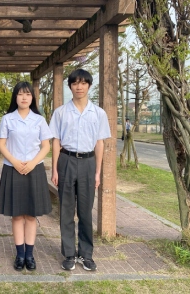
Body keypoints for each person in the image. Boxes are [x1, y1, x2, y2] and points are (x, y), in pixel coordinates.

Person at [49, 69, 111, 271]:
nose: (79, 87)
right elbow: (56, 141)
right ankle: (68, 253)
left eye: (83, 83)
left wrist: (97, 172)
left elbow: (100, 143)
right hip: (66, 160)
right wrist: (55, 169)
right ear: (70, 87)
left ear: (89, 86)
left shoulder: (99, 113)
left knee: (85, 211)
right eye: (75, 83)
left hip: (88, 162)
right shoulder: (60, 112)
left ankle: (86, 254)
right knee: (66, 209)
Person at [0, 81, 53, 272]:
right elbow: (2, 144)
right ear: (15, 97)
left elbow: (46, 146)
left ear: (32, 98)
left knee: (31, 215)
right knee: (17, 214)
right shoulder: (7, 119)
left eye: (28, 94)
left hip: (34, 169)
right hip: (12, 169)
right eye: (20, 94)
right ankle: (19, 255)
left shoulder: (39, 120)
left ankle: (30, 254)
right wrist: (14, 161)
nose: (24, 97)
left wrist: (31, 163)